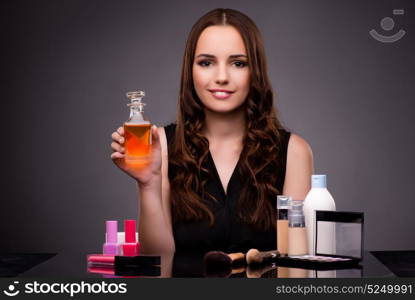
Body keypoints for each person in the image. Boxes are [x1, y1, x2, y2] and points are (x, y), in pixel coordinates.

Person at [110, 8, 313, 254]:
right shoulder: (159, 145)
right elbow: (157, 270)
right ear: (190, 70)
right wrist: (149, 183)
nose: (221, 77)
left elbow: (295, 263)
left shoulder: (294, 152)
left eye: (238, 63)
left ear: (255, 71)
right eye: (206, 63)